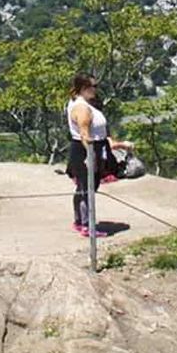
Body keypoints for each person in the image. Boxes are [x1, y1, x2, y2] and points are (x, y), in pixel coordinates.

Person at [66, 74, 133, 238]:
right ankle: (86, 224)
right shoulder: (82, 108)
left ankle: (80, 221)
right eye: (93, 86)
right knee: (87, 188)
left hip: (93, 147)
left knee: (85, 187)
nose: (96, 89)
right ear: (83, 88)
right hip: (87, 150)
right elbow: (85, 134)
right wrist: (91, 156)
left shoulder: (84, 104)